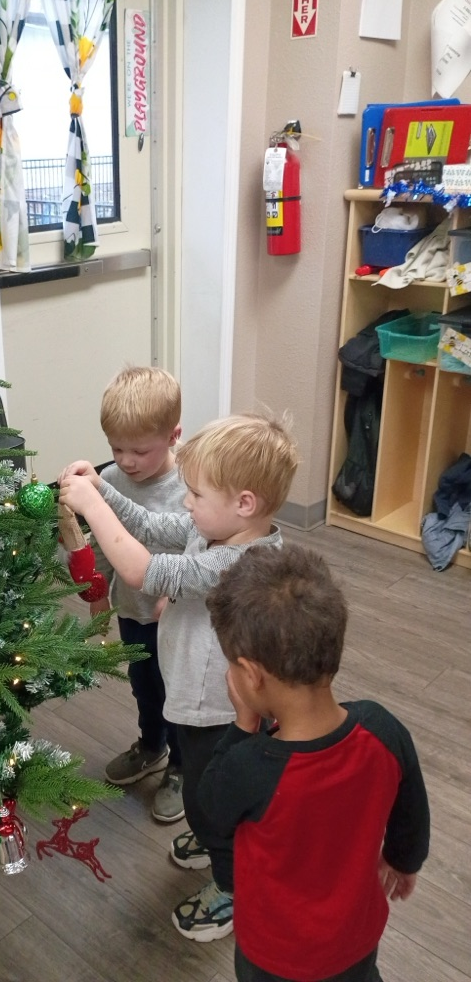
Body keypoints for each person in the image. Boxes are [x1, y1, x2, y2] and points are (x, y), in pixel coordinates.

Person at [58, 411, 299, 940]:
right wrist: (107, 489)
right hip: (193, 694)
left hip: (219, 708)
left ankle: (231, 884)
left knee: (210, 800)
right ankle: (215, 839)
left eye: (196, 495)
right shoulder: (213, 529)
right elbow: (149, 526)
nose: (185, 503)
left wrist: (92, 507)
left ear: (244, 504)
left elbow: (144, 569)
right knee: (202, 786)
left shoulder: (242, 562)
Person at [200, 544, 430, 980]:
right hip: (356, 938)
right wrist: (404, 860)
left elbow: (210, 811)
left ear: (251, 675)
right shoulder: (382, 729)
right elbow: (411, 808)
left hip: (274, 956)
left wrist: (242, 724)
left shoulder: (249, 766)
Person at [89, 366, 187, 823]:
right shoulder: (110, 480)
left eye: (140, 451)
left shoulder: (191, 485)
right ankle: (153, 745)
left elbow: (205, 548)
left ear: (173, 436)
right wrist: (96, 593)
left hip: (181, 620)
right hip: (135, 611)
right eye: (116, 449)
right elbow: (104, 541)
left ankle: (184, 768)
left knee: (180, 694)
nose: (126, 461)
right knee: (145, 686)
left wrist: (180, 594)